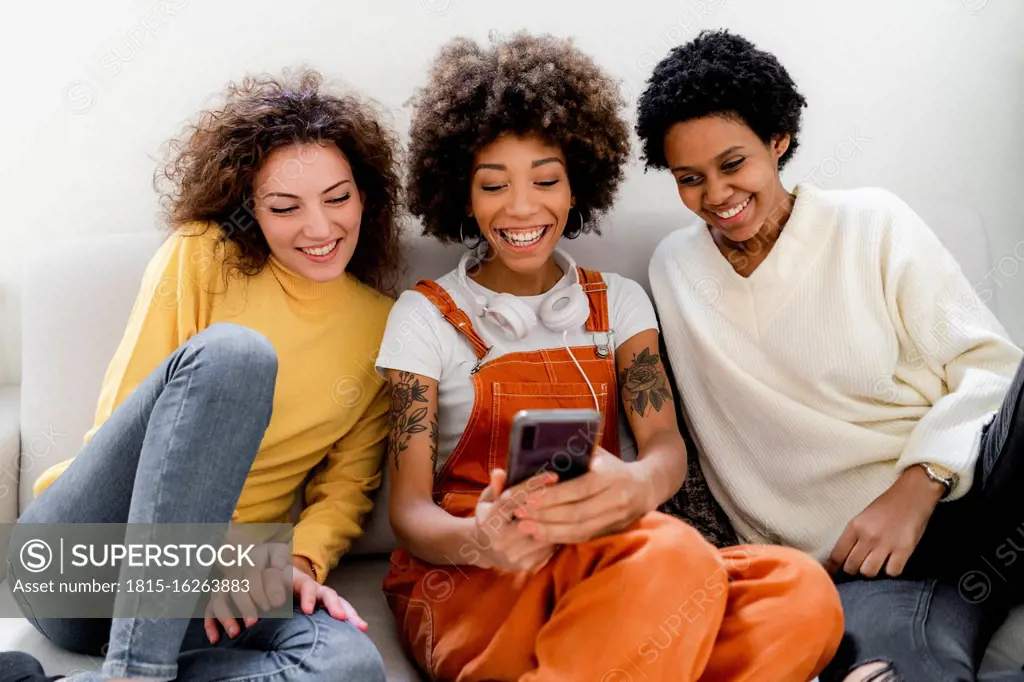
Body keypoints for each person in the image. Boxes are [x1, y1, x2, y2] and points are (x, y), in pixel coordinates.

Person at [374, 31, 844, 682]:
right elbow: (409, 511)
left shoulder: (619, 304)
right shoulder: (421, 317)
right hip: (477, 579)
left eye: (546, 180)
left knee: (800, 590)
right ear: (462, 194)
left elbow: (664, 448)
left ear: (577, 188)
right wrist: (481, 540)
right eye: (493, 185)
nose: (521, 206)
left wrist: (635, 486)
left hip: (618, 559)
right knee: (676, 560)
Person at [637, 29, 1024, 682]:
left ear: (778, 140)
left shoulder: (872, 222)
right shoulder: (673, 271)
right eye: (689, 179)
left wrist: (919, 481)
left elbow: (990, 367)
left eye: (734, 165)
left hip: (980, 490)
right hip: (864, 570)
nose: (716, 195)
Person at [1, 69, 399, 682]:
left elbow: (345, 490)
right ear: (251, 211)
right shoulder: (203, 255)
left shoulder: (381, 327)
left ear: (365, 196)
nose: (320, 228)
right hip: (82, 557)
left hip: (227, 583)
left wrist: (291, 561)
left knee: (348, 663)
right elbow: (126, 419)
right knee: (238, 355)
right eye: (285, 207)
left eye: (338, 198)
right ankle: (138, 672)